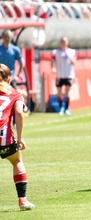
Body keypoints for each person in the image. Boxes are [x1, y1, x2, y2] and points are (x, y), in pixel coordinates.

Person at [0, 64, 34, 211]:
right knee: (17, 161)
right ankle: (22, 200)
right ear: (9, 79)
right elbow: (19, 113)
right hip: (4, 139)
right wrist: (19, 138)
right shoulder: (15, 93)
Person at [0, 30, 24, 126]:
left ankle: (14, 121)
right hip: (0, 79)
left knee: (13, 99)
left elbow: (21, 62)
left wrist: (18, 75)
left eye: (9, 37)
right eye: (6, 37)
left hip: (10, 78)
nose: (7, 39)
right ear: (2, 37)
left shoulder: (15, 49)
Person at [51, 37, 76, 116]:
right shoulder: (56, 52)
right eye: (62, 41)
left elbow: (74, 62)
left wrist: (68, 56)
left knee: (68, 92)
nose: (63, 43)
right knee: (59, 92)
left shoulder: (71, 52)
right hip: (59, 75)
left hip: (68, 74)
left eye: (65, 42)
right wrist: (53, 68)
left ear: (67, 42)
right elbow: (52, 61)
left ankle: (67, 108)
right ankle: (61, 107)